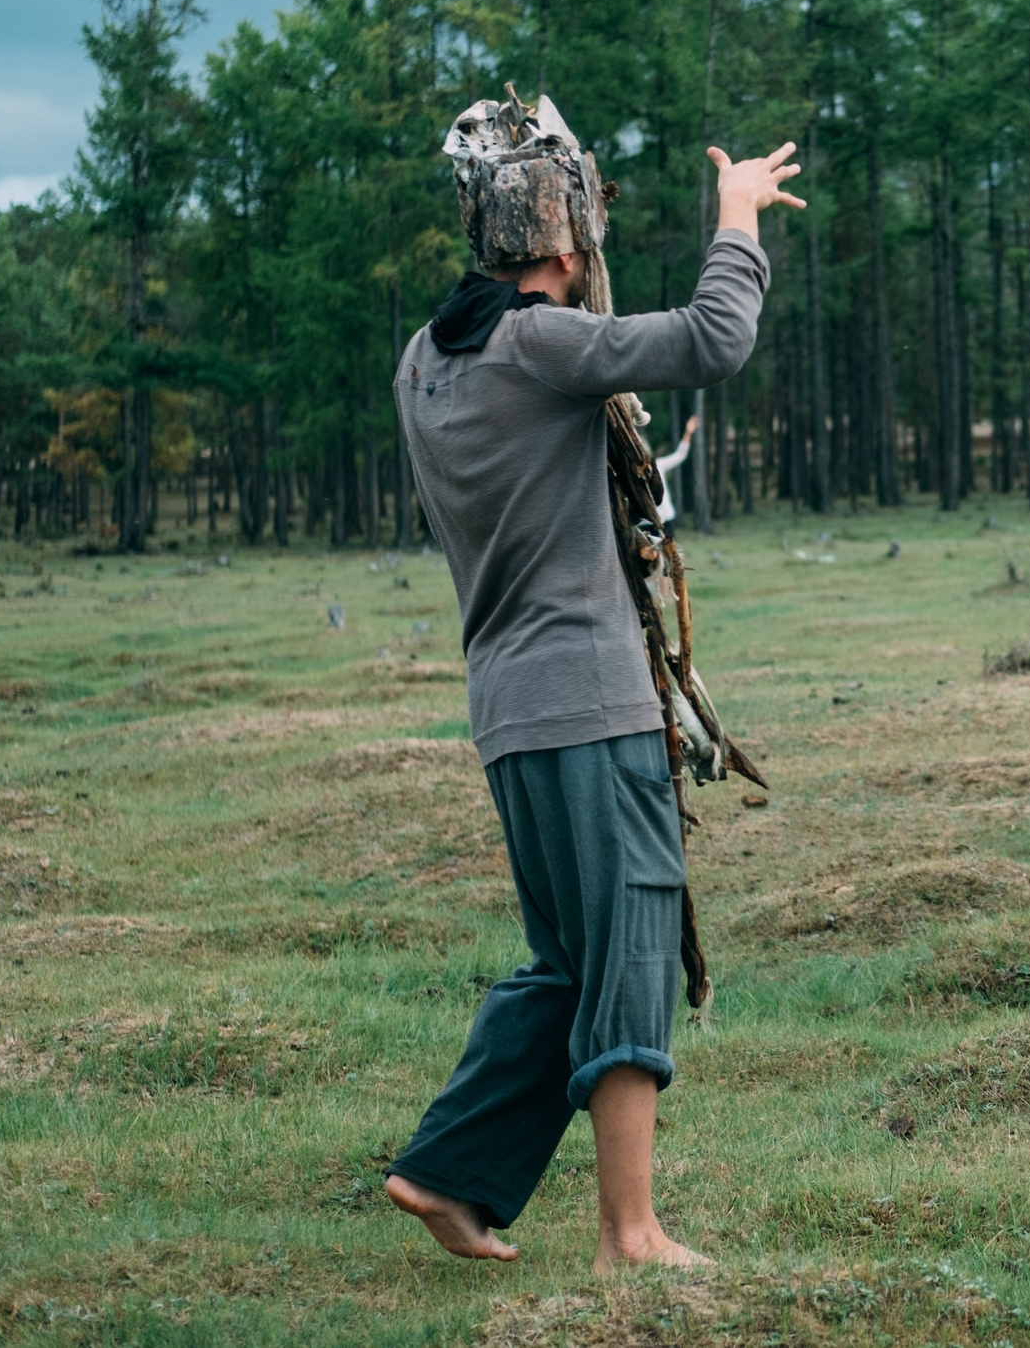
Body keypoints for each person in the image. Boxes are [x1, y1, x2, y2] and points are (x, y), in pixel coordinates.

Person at [381, 87, 792, 1273]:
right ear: (567, 236)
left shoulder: (427, 361)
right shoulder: (540, 344)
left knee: (566, 959)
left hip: (511, 712)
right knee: (628, 950)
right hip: (589, 702)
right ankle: (630, 1234)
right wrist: (735, 213)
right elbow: (714, 341)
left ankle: (445, 1174)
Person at [652, 414, 697, 534]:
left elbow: (679, 455)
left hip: (665, 519)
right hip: (646, 524)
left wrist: (688, 432)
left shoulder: (657, 465)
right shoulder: (628, 474)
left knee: (669, 552)